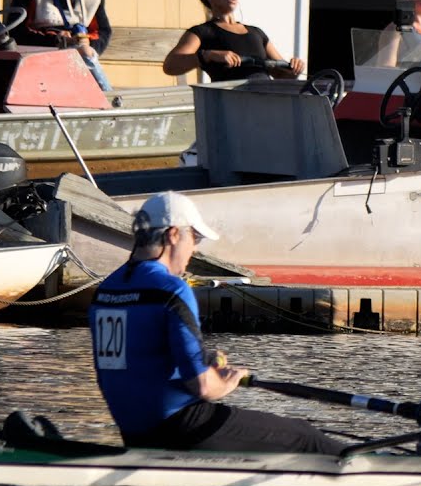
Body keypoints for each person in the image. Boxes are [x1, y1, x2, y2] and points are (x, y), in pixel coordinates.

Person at [89, 191, 344, 454]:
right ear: (173, 235)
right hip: (185, 427)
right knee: (305, 436)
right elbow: (203, 387)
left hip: (133, 431)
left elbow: (137, 359)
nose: (195, 248)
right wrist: (227, 382)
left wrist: (202, 358)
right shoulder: (171, 289)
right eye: (195, 238)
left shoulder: (106, 290)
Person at [163, 0, 305, 83]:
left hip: (264, 103)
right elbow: (170, 66)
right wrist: (207, 55)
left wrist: (294, 68)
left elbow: (282, 74)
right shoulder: (203, 32)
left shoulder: (256, 33)